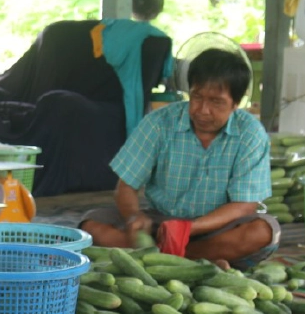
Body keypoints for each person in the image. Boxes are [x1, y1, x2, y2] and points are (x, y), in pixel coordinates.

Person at [80, 48, 277, 267]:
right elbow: (125, 186)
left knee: (263, 231)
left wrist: (188, 228)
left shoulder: (250, 133)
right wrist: (134, 216)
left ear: (236, 103)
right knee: (90, 226)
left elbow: (244, 206)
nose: (203, 110)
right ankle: (197, 262)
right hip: (160, 222)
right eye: (197, 97)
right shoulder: (159, 123)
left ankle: (165, 259)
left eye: (216, 102)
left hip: (218, 227)